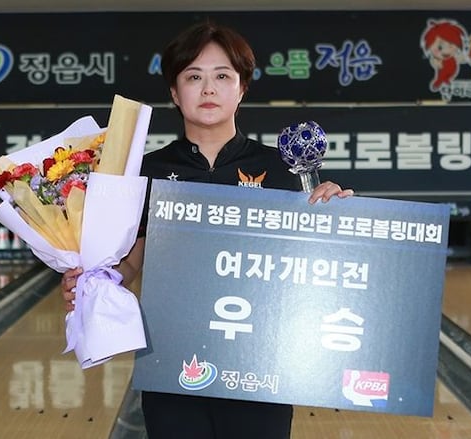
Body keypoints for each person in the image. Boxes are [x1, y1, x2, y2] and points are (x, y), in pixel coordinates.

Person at [61, 21, 354, 439]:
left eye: (222, 77)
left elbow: (315, 266)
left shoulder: (282, 170)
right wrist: (88, 284)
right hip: (173, 362)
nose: (208, 89)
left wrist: (336, 218)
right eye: (193, 77)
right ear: (174, 92)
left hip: (259, 366)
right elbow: (129, 263)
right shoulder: (145, 172)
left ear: (242, 88)